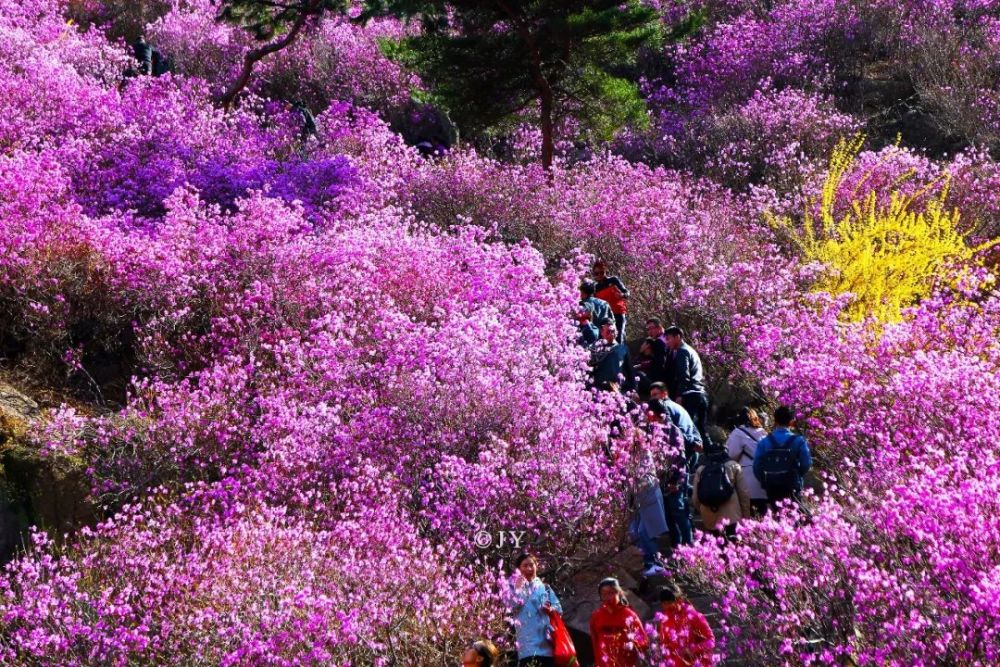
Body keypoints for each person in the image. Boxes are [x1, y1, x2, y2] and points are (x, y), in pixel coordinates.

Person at [647, 400, 694, 549]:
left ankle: (689, 547)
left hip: (674, 480)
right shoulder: (651, 430)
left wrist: (675, 481)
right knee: (668, 517)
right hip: (660, 480)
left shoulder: (672, 430)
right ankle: (677, 549)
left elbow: (680, 457)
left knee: (679, 514)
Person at [663, 326, 714, 450]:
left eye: (669, 339)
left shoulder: (682, 351)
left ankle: (693, 459)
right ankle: (712, 455)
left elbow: (683, 375)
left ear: (678, 337)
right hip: (701, 394)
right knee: (701, 428)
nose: (667, 342)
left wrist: (679, 395)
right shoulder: (691, 350)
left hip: (690, 394)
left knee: (689, 429)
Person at [753, 405, 813, 509]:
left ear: (775, 421)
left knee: (776, 518)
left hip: (772, 488)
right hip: (792, 486)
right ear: (791, 422)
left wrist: (765, 480)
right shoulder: (799, 441)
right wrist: (797, 475)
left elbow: (756, 467)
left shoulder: (764, 441)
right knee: (794, 518)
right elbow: (806, 463)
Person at [629, 427, 669, 577]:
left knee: (646, 531)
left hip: (649, 495)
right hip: (640, 498)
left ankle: (656, 563)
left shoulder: (644, 453)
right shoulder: (633, 455)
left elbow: (646, 476)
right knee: (636, 531)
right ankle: (648, 562)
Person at [509, 553, 562, 666]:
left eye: (531, 565)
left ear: (536, 566)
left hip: (547, 647)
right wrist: (518, 590)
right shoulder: (512, 587)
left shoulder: (545, 588)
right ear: (519, 569)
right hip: (527, 648)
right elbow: (511, 607)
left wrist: (550, 609)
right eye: (525, 565)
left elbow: (559, 610)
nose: (529, 568)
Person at [692, 447, 752, 538]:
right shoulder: (734, 466)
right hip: (732, 516)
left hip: (710, 518)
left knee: (715, 548)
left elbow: (695, 498)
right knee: (733, 547)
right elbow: (743, 493)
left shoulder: (700, 470)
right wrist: (746, 516)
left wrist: (703, 512)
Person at [590, 578, 649, 667]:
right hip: (604, 663)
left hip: (625, 662)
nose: (608, 598)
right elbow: (595, 642)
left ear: (619, 593)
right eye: (604, 594)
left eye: (611, 593)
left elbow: (643, 640)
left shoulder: (629, 615)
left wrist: (633, 645)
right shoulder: (596, 616)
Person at [655, 583, 715, 667]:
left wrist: (692, 649)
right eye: (664, 604)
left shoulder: (693, 616)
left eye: (669, 603)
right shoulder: (664, 619)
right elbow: (665, 644)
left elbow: (711, 641)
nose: (667, 607)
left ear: (679, 600)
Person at [649, 383, 703, 472]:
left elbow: (671, 431)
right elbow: (693, 427)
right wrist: (697, 441)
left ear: (664, 394)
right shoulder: (680, 408)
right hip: (691, 452)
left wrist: (692, 442)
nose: (653, 398)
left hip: (679, 453)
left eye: (655, 395)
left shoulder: (665, 407)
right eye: (651, 396)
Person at [725, 407, 768, 516]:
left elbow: (731, 455)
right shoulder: (764, 432)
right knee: (762, 515)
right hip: (764, 480)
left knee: (749, 516)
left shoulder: (738, 433)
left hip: (747, 481)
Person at [589, 321, 635, 393]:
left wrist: (633, 389)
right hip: (599, 387)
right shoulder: (595, 348)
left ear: (617, 332)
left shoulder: (623, 348)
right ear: (602, 333)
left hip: (616, 387)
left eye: (613, 331)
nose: (611, 334)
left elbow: (630, 371)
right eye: (608, 332)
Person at [592, 261, 629, 344]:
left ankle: (622, 355)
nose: (599, 275)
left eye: (601, 272)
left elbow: (627, 293)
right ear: (594, 275)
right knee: (608, 339)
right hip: (607, 318)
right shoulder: (595, 288)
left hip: (618, 313)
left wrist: (622, 295)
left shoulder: (613, 280)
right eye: (596, 273)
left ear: (605, 272)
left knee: (619, 336)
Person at [578, 280, 612, 346]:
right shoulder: (604, 303)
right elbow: (612, 322)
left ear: (583, 293)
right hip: (604, 338)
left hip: (588, 338)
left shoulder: (582, 305)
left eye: (581, 292)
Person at [636, 318, 669, 385]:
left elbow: (660, 364)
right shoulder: (657, 340)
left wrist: (642, 353)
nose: (649, 331)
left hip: (662, 378)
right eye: (648, 329)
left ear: (659, 327)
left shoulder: (660, 341)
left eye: (651, 328)